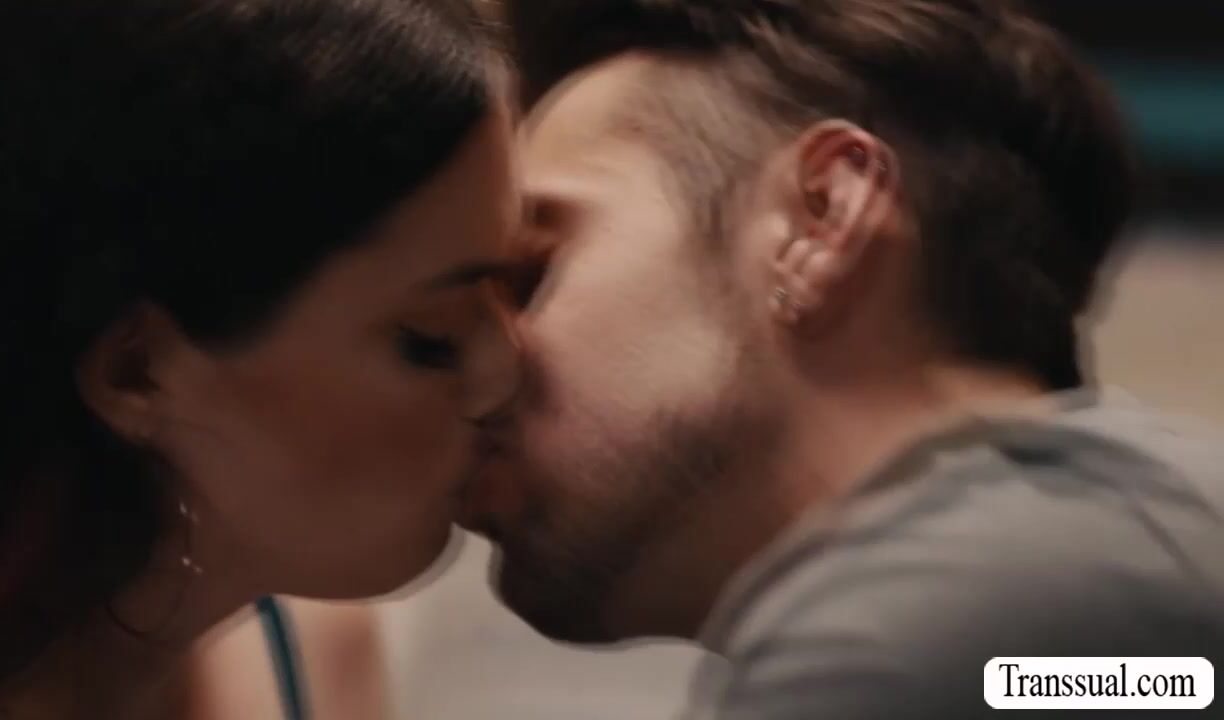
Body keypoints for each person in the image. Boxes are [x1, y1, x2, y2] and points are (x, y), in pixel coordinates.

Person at [463, 0, 1224, 717]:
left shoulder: (945, 621)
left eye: (531, 275)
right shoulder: (1126, 561)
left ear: (821, 219)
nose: (475, 364)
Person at [0, 0, 518, 717]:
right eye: (430, 336)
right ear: (137, 373)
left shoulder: (315, 650)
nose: (505, 375)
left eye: (517, 287)